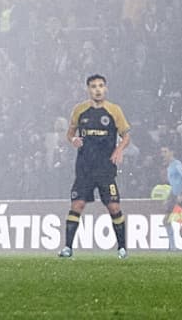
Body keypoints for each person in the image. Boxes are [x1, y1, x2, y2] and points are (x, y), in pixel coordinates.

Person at [60, 73, 130, 259]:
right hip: (84, 168)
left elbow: (126, 136)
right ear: (88, 89)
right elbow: (70, 133)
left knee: (114, 207)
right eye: (93, 86)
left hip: (106, 168)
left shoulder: (114, 110)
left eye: (100, 86)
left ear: (105, 88)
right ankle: (67, 248)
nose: (97, 89)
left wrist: (119, 150)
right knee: (77, 205)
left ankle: (122, 249)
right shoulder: (79, 110)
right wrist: (73, 139)